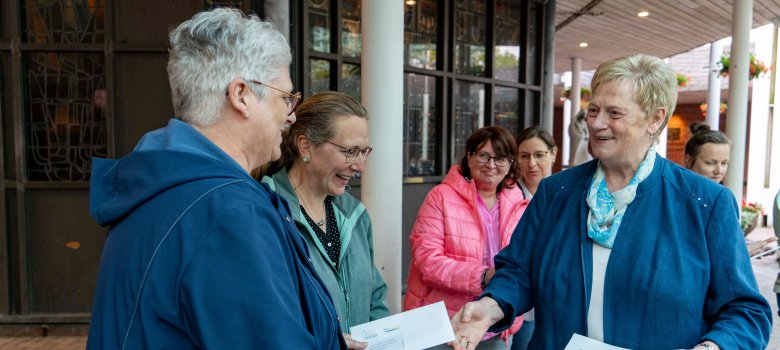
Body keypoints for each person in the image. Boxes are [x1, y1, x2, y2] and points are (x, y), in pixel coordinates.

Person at [449, 54, 772, 350]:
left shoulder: (705, 203)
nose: (596, 123)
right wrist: (492, 306)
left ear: (655, 119)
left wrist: (713, 347)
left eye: (614, 112)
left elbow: (744, 310)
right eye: (593, 110)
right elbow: (519, 271)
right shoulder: (555, 192)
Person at [87, 9, 345, 349]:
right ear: (241, 95)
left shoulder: (160, 186)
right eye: (285, 98)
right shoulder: (228, 211)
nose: (292, 115)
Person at [262, 91, 389, 349]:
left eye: (364, 151)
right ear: (305, 145)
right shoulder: (266, 212)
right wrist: (326, 342)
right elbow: (264, 315)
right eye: (350, 151)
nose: (360, 166)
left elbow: (375, 296)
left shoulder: (356, 215)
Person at [405, 126, 529, 349]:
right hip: (442, 324)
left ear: (510, 163)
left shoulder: (520, 205)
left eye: (500, 158)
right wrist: (483, 277)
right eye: (483, 155)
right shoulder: (440, 197)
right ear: (469, 157)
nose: (491, 165)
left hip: (495, 324)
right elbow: (427, 261)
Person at [510, 126, 557, 350]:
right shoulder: (507, 197)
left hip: (554, 299)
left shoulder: (564, 194)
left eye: (539, 155)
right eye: (524, 156)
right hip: (522, 304)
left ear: (553, 154)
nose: (532, 164)